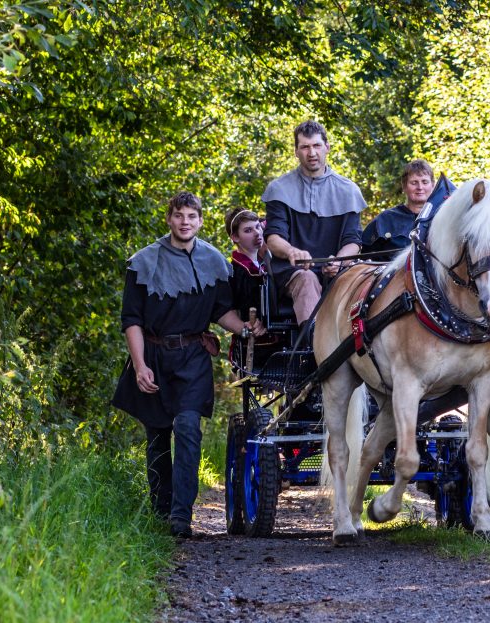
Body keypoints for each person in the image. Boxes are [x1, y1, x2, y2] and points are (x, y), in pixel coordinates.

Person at [112, 192, 264, 538]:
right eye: (178, 215)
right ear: (169, 219)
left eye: (191, 216)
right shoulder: (143, 262)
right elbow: (131, 320)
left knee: (188, 429)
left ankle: (181, 517)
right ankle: (160, 510)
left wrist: (243, 328)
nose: (184, 222)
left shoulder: (213, 261)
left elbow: (220, 311)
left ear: (200, 221)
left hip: (193, 357)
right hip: (153, 355)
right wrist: (139, 366)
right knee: (157, 436)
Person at [261, 120, 365, 325]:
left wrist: (339, 261)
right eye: (305, 147)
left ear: (327, 147)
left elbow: (353, 241)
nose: (312, 153)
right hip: (293, 272)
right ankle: (314, 348)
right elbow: (273, 238)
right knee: (307, 279)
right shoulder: (279, 189)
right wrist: (292, 252)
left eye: (317, 146)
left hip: (336, 272)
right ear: (296, 151)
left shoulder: (349, 190)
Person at [225, 206, 279, 360]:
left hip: (278, 340)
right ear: (235, 237)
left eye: (257, 227)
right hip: (258, 347)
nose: (257, 233)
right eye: (248, 231)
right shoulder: (236, 271)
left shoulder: (264, 263)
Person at [361, 159, 435, 262]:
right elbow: (363, 255)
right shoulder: (385, 220)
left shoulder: (441, 219)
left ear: (433, 185)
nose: (420, 187)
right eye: (414, 183)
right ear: (404, 186)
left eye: (425, 182)